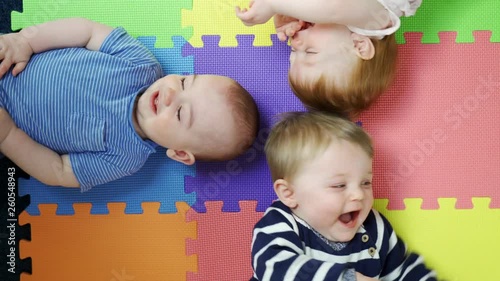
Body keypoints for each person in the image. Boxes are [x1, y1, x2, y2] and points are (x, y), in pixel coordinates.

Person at [0, 18, 259, 192]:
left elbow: (59, 171)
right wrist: (25, 41)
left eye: (180, 113)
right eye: (183, 82)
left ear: (180, 153)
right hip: (11, 58)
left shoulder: (125, 158)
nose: (170, 95)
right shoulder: (140, 63)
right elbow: (86, 30)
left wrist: (8, 136)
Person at [251, 111, 437, 280]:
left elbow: (404, 269)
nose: (358, 194)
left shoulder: (375, 228)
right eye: (339, 185)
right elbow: (274, 268)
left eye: (366, 183)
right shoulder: (279, 224)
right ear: (289, 193)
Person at [235, 0, 421, 116]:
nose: (296, 43)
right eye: (310, 52)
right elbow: (334, 7)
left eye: (293, 52)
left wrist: (294, 9)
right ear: (359, 46)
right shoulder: (376, 17)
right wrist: (274, 4)